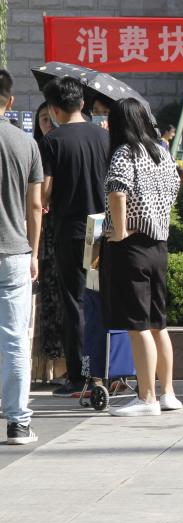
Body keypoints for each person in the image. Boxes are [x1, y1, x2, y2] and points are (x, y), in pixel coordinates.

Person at [102, 98, 181, 417]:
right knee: (158, 323)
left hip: (132, 248)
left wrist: (121, 230)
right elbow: (175, 189)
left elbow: (117, 191)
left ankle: (147, 397)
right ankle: (168, 393)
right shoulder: (162, 152)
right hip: (158, 246)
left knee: (138, 326)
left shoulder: (125, 152)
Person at [39, 77, 109, 397]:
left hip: (70, 232)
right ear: (82, 103)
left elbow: (44, 192)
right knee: (97, 299)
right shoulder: (104, 137)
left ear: (54, 109)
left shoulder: (52, 141)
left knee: (74, 302)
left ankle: (79, 376)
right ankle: (102, 371)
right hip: (100, 230)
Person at [0, 69, 43, 445]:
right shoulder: (26, 143)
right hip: (14, 252)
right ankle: (18, 422)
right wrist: (34, 251)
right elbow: (34, 206)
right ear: (10, 101)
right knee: (15, 340)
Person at [31, 104, 65, 377]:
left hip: (54, 229)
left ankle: (60, 365)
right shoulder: (35, 149)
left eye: (51, 118)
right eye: (43, 119)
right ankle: (44, 368)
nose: (48, 124)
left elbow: (42, 196)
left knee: (57, 297)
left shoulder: (57, 148)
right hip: (40, 231)